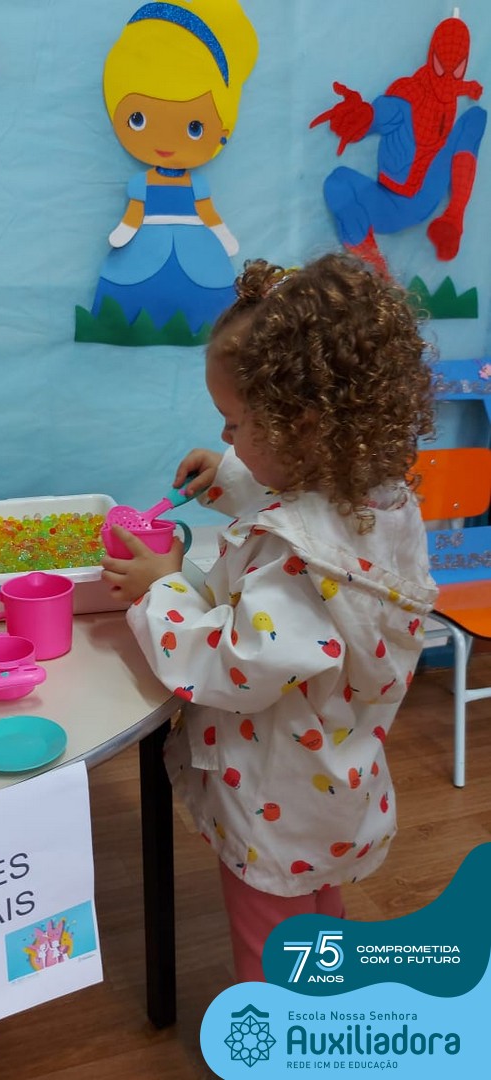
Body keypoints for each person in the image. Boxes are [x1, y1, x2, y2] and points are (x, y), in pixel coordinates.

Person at [101, 253, 437, 982]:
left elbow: (231, 664)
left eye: (234, 425)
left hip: (279, 787)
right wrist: (231, 474)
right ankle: (325, 1005)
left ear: (301, 427)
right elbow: (306, 498)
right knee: (315, 904)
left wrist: (163, 590)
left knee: (273, 947)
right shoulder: (375, 499)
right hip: (333, 779)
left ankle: (284, 1035)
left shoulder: (300, 563)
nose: (226, 439)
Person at [89, 0, 258, 335]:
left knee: (205, 291)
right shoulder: (142, 184)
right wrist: (125, 230)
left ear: (221, 129)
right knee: (134, 285)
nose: (166, 141)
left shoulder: (197, 186)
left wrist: (223, 235)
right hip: (146, 243)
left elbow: (208, 212)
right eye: (138, 119)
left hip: (195, 244)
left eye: (195, 127)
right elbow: (135, 213)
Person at [310, 15, 486, 276]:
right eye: (441, 67)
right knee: (338, 181)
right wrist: (363, 116)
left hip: (427, 191)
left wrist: (468, 88)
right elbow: (383, 112)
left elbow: (449, 84)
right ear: (432, 58)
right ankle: (374, 264)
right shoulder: (407, 95)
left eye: (457, 70)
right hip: (388, 203)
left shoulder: (449, 90)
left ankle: (454, 217)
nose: (448, 79)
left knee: (476, 116)